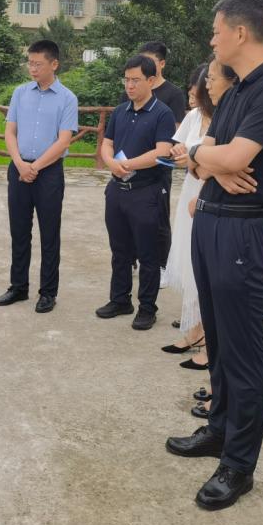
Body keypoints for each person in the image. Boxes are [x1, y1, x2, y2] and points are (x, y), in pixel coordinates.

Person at [165, 0, 263, 512]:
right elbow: (200, 159)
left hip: (245, 228)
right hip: (212, 219)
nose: (212, 39)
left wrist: (203, 156)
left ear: (241, 33)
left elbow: (234, 154)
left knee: (243, 353)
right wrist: (206, 158)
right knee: (218, 341)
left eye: (217, 30)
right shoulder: (237, 88)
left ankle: (239, 464)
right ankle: (218, 430)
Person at [161, 58, 237, 371]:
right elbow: (181, 150)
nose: (199, 90)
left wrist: (194, 161)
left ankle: (208, 338)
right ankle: (194, 329)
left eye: (206, 83)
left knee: (207, 267)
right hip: (191, 191)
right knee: (191, 263)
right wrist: (190, 158)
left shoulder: (227, 116)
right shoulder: (196, 116)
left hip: (210, 193)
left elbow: (221, 163)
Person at [0, 40, 79, 313]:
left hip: (49, 172)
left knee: (49, 233)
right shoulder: (20, 93)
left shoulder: (67, 98)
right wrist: (19, 163)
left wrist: (36, 167)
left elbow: (64, 141)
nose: (32, 68)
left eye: (37, 64)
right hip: (19, 169)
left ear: (54, 64)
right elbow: (10, 131)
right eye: (29, 63)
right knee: (19, 231)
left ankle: (48, 292)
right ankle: (18, 287)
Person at [96, 54, 176, 330]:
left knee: (148, 254)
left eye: (135, 80)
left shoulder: (162, 113)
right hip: (118, 189)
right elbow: (106, 143)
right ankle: (120, 299)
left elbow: (162, 151)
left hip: (147, 191)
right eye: (126, 80)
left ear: (151, 81)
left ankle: (147, 307)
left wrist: (127, 164)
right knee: (119, 250)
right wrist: (110, 162)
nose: (129, 86)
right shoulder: (121, 111)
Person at [119, 42, 186, 283]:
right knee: (126, 219)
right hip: (126, 168)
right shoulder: (129, 91)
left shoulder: (173, 95)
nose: (131, 83)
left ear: (161, 64)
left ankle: (161, 264)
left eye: (148, 62)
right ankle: (132, 261)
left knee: (157, 219)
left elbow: (177, 133)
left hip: (157, 170)